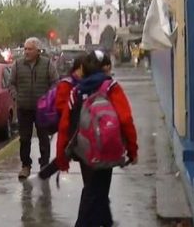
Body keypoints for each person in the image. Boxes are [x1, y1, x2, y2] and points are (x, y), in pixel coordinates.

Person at [56, 49, 138, 227]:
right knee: (95, 191)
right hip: (107, 146)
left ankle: (104, 222)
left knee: (94, 189)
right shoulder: (111, 88)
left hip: (84, 150)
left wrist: (62, 156)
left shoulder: (76, 91)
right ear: (104, 68)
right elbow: (125, 120)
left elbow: (65, 125)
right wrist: (132, 149)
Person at [9, 37, 59, 179]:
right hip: (24, 108)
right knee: (24, 139)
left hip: (42, 110)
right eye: (25, 48)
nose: (26, 52)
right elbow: (11, 83)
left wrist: (48, 98)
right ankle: (26, 166)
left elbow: (55, 82)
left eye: (30, 49)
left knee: (44, 138)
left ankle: (44, 165)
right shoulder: (17, 65)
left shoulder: (47, 64)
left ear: (38, 51)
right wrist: (16, 96)